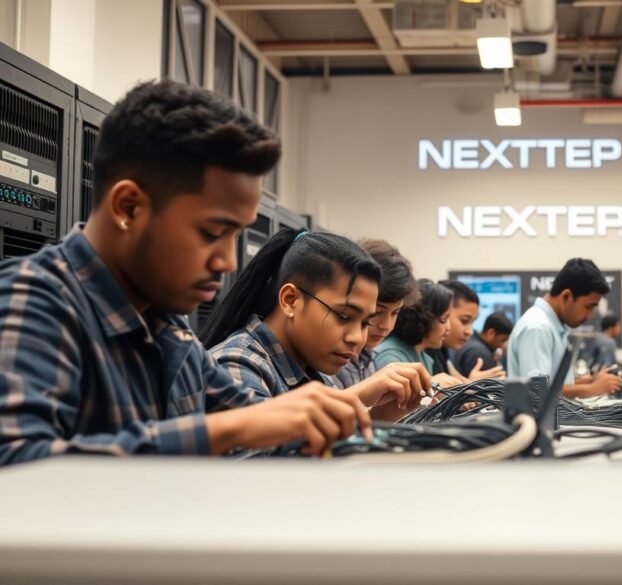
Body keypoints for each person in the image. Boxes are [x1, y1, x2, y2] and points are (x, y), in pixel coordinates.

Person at [0, 81, 371, 465]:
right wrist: (231, 430)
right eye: (212, 233)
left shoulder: (166, 325)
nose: (228, 262)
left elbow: (254, 417)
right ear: (128, 207)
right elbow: (17, 461)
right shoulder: (33, 303)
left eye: (236, 236)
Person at [201, 229, 432, 422]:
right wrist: (355, 398)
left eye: (365, 323)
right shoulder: (236, 367)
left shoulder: (315, 371)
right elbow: (265, 463)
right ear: (290, 300)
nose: (356, 338)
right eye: (343, 316)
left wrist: (381, 416)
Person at [507, 258, 622, 398]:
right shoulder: (537, 328)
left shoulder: (554, 326)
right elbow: (537, 393)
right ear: (567, 296)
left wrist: (592, 380)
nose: (590, 315)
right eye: (588, 307)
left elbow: (555, 384)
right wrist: (592, 388)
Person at [336, 239, 418, 389]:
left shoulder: (367, 356)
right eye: (377, 312)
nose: (386, 325)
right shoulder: (332, 357)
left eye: (395, 313)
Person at [374, 279, 461, 387]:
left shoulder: (421, 354)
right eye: (443, 319)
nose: (448, 328)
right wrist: (433, 385)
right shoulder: (390, 357)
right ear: (424, 317)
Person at [426, 280, 505, 381]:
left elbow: (456, 384)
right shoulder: (423, 353)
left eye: (472, 322)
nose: (470, 331)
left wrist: (471, 383)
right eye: (464, 321)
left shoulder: (442, 351)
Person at [453, 312, 514, 379]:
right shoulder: (482, 354)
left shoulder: (471, 340)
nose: (503, 345)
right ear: (491, 333)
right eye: (503, 340)